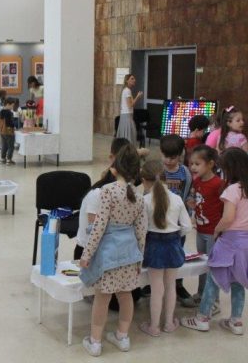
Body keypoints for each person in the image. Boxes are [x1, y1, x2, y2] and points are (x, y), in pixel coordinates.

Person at [182, 148, 248, 336]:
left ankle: (202, 319)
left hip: (230, 242)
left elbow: (228, 218)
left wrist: (217, 230)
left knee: (213, 279)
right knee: (239, 282)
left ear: (230, 169)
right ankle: (236, 322)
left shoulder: (232, 190)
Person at [79, 145, 146, 357]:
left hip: (109, 254)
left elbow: (98, 227)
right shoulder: (139, 197)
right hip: (129, 254)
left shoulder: (107, 191)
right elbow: (141, 231)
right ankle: (122, 337)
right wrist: (140, 260)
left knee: (102, 298)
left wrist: (87, 254)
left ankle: (95, 342)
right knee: (126, 296)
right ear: (136, 171)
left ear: (114, 168)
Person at [138, 159, 192, 337]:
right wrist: (175, 235)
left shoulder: (144, 201)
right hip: (173, 244)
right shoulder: (177, 199)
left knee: (156, 289)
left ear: (144, 181)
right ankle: (168, 323)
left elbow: (141, 230)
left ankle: (154, 327)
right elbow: (187, 226)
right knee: (170, 286)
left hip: (153, 246)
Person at [184, 145, 224, 310]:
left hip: (213, 233)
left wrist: (221, 230)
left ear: (210, 164)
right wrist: (192, 204)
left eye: (197, 164)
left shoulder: (218, 184)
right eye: (191, 163)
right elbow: (196, 200)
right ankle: (201, 295)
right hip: (200, 230)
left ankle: (214, 301)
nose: (193, 167)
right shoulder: (197, 181)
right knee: (202, 265)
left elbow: (225, 207)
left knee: (212, 267)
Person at [159, 134, 193, 301]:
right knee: (157, 251)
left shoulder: (185, 173)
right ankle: (152, 283)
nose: (168, 161)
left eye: (172, 157)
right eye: (165, 156)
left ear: (180, 155)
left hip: (177, 222)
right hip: (158, 220)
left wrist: (185, 218)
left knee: (177, 252)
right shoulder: (157, 170)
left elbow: (187, 196)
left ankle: (177, 284)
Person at [116, 74, 142, 147]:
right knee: (129, 137)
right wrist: (137, 97)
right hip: (126, 116)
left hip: (127, 116)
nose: (134, 80)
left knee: (129, 136)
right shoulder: (127, 91)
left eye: (134, 78)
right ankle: (128, 151)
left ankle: (126, 151)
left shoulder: (126, 90)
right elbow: (130, 105)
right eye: (132, 78)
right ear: (127, 81)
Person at [0, 98, 16, 165]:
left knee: (4, 146)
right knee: (11, 146)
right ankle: (9, 159)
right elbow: (9, 122)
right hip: (9, 132)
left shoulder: (1, 111)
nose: (12, 107)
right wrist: (13, 126)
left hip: (2, 131)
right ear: (8, 104)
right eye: (12, 105)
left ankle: (3, 159)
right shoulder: (9, 112)